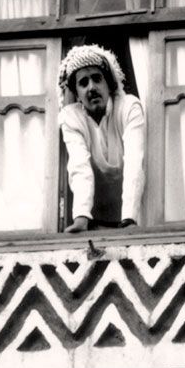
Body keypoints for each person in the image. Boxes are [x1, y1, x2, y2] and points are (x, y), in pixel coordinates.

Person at [57, 43, 145, 232]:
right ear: (77, 94)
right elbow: (79, 167)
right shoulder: (71, 117)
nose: (91, 87)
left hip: (137, 216)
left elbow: (134, 163)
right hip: (96, 222)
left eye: (97, 79)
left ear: (109, 83)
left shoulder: (129, 108)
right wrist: (81, 217)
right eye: (83, 83)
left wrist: (129, 218)